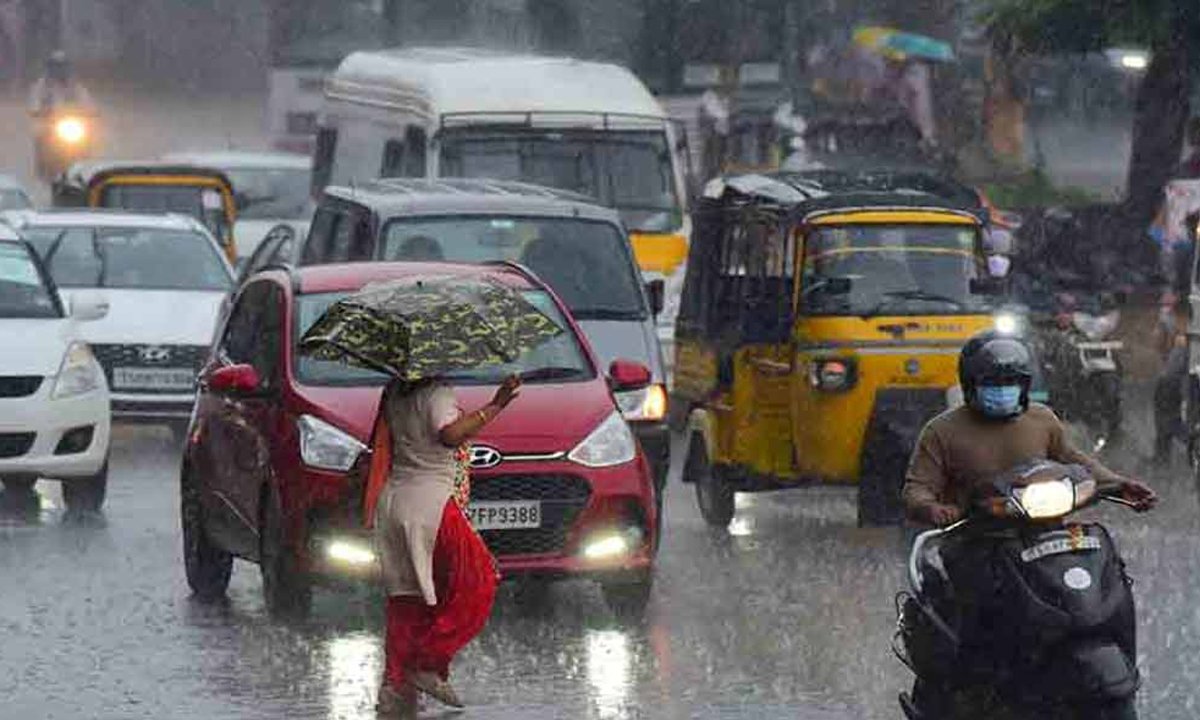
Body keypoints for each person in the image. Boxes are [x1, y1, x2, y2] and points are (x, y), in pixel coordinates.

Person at [367, 373, 522, 717]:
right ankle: (428, 662)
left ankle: (395, 689)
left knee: (407, 600)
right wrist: (496, 405)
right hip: (432, 504)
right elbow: (450, 435)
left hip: (394, 502)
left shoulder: (394, 391)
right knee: (478, 580)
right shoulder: (437, 392)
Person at [904, 330, 1156, 528]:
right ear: (970, 385)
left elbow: (1076, 461)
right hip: (975, 537)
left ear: (1024, 385)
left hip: (1042, 531)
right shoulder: (941, 431)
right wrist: (930, 507)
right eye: (992, 383)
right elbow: (918, 487)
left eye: (1011, 382)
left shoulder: (1042, 419)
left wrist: (1119, 485)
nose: (1003, 390)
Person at [28, 51, 93, 117]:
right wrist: (35, 109)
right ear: (50, 67)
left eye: (62, 66)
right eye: (55, 66)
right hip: (49, 118)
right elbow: (35, 97)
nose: (59, 69)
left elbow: (84, 96)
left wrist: (90, 110)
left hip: (70, 117)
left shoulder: (73, 85)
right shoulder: (43, 84)